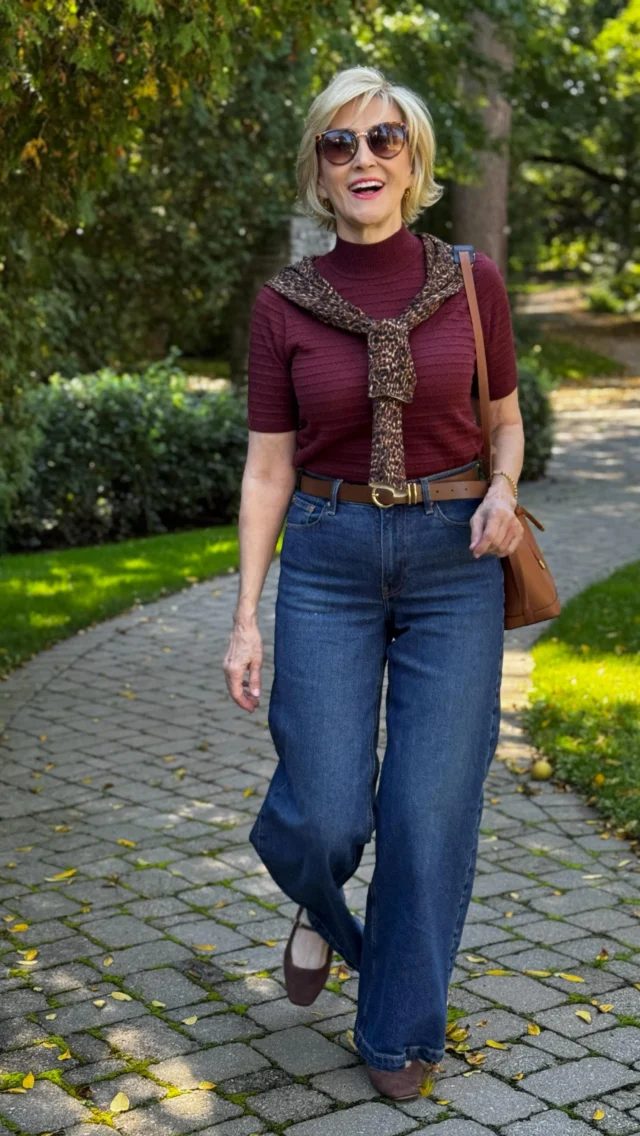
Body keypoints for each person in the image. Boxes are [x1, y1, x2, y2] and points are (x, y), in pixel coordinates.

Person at [223, 64, 525, 1101]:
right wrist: (242, 618)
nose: (363, 158)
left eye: (384, 138)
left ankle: (397, 1030)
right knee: (322, 817)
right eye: (340, 143)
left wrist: (500, 488)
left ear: (415, 157)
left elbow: (505, 421)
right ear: (317, 164)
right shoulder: (284, 304)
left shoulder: (470, 278)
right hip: (326, 558)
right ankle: (320, 899)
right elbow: (267, 466)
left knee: (429, 807)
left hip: (455, 560)